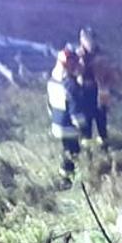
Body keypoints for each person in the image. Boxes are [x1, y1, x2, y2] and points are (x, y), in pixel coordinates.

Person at [47, 47, 82, 177]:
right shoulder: (69, 83)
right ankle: (69, 178)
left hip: (57, 122)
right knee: (73, 151)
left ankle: (65, 175)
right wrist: (81, 125)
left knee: (66, 149)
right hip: (69, 125)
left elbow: (49, 103)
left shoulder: (52, 80)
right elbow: (74, 107)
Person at [72, 28, 109, 143]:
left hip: (101, 89)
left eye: (91, 39)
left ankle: (103, 138)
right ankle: (86, 138)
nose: (89, 42)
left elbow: (106, 71)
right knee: (86, 115)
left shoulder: (101, 54)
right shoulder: (78, 54)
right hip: (84, 90)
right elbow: (74, 72)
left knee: (101, 115)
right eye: (85, 39)